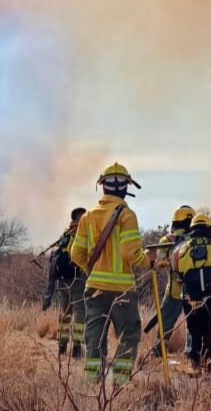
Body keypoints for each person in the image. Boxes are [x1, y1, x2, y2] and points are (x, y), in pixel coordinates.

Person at [71, 163, 155, 385]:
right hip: (122, 290)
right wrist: (146, 260)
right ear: (126, 187)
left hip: (94, 287)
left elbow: (76, 254)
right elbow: (129, 252)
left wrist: (94, 270)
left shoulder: (88, 217)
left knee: (94, 337)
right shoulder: (127, 215)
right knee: (129, 336)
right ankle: (119, 384)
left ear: (102, 187)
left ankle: (92, 384)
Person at [171, 213, 211, 372]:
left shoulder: (181, 250)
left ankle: (194, 362)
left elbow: (175, 269)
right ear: (209, 230)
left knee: (193, 329)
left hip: (190, 297)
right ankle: (210, 362)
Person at [152, 205, 196, 357]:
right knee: (193, 323)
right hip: (193, 290)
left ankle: (158, 352)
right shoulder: (196, 239)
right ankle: (191, 353)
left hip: (173, 290)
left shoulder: (167, 239)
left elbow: (158, 262)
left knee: (165, 323)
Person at [45, 207, 87, 357]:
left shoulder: (65, 235)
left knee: (64, 315)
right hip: (79, 280)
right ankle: (77, 348)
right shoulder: (82, 235)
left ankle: (61, 346)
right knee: (80, 315)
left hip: (62, 282)